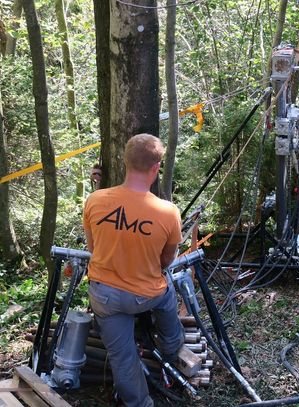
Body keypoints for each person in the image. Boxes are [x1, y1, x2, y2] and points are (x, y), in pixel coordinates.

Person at [83, 134, 184, 407]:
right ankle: (173, 349)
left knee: (122, 355)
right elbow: (166, 261)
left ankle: (139, 403)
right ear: (156, 168)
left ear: (124, 162)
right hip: (145, 295)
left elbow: (94, 248)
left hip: (105, 296)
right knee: (167, 293)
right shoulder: (168, 212)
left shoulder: (95, 200)